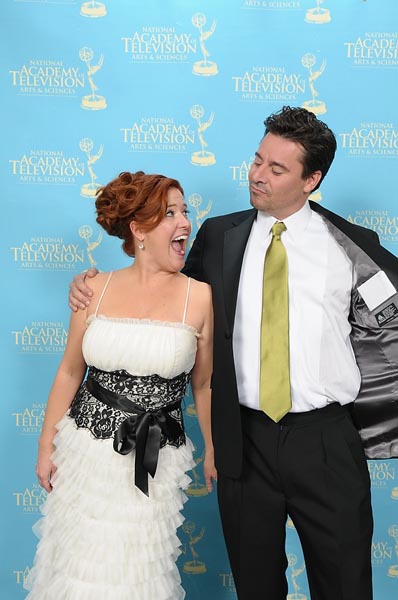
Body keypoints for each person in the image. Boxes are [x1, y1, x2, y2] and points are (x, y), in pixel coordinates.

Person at [68, 107, 398, 600]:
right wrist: (91, 283)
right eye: (257, 160)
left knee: (347, 586)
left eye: (277, 169)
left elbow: (389, 326)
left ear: (312, 179)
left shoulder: (353, 246)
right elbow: (166, 297)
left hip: (327, 442)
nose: (257, 175)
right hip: (244, 442)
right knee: (255, 588)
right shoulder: (219, 236)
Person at [25, 170, 216, 600]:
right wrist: (45, 446)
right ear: (139, 229)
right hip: (85, 454)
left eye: (185, 211)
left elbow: (203, 386)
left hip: (155, 458)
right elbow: (70, 372)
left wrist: (214, 450)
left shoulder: (199, 296)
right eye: (171, 213)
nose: (185, 222)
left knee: (138, 571)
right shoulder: (93, 287)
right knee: (78, 567)